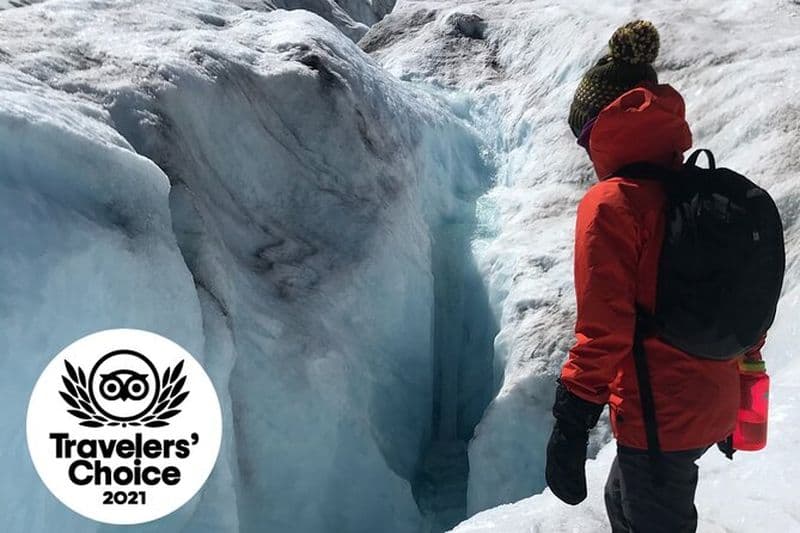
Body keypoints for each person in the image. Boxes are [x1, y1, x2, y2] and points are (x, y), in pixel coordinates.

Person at [544, 20, 766, 533]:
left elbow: (605, 331)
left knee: (649, 513)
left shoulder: (614, 204)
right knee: (625, 498)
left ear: (598, 129)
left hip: (660, 415)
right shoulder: (696, 191)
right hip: (712, 398)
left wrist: (570, 423)